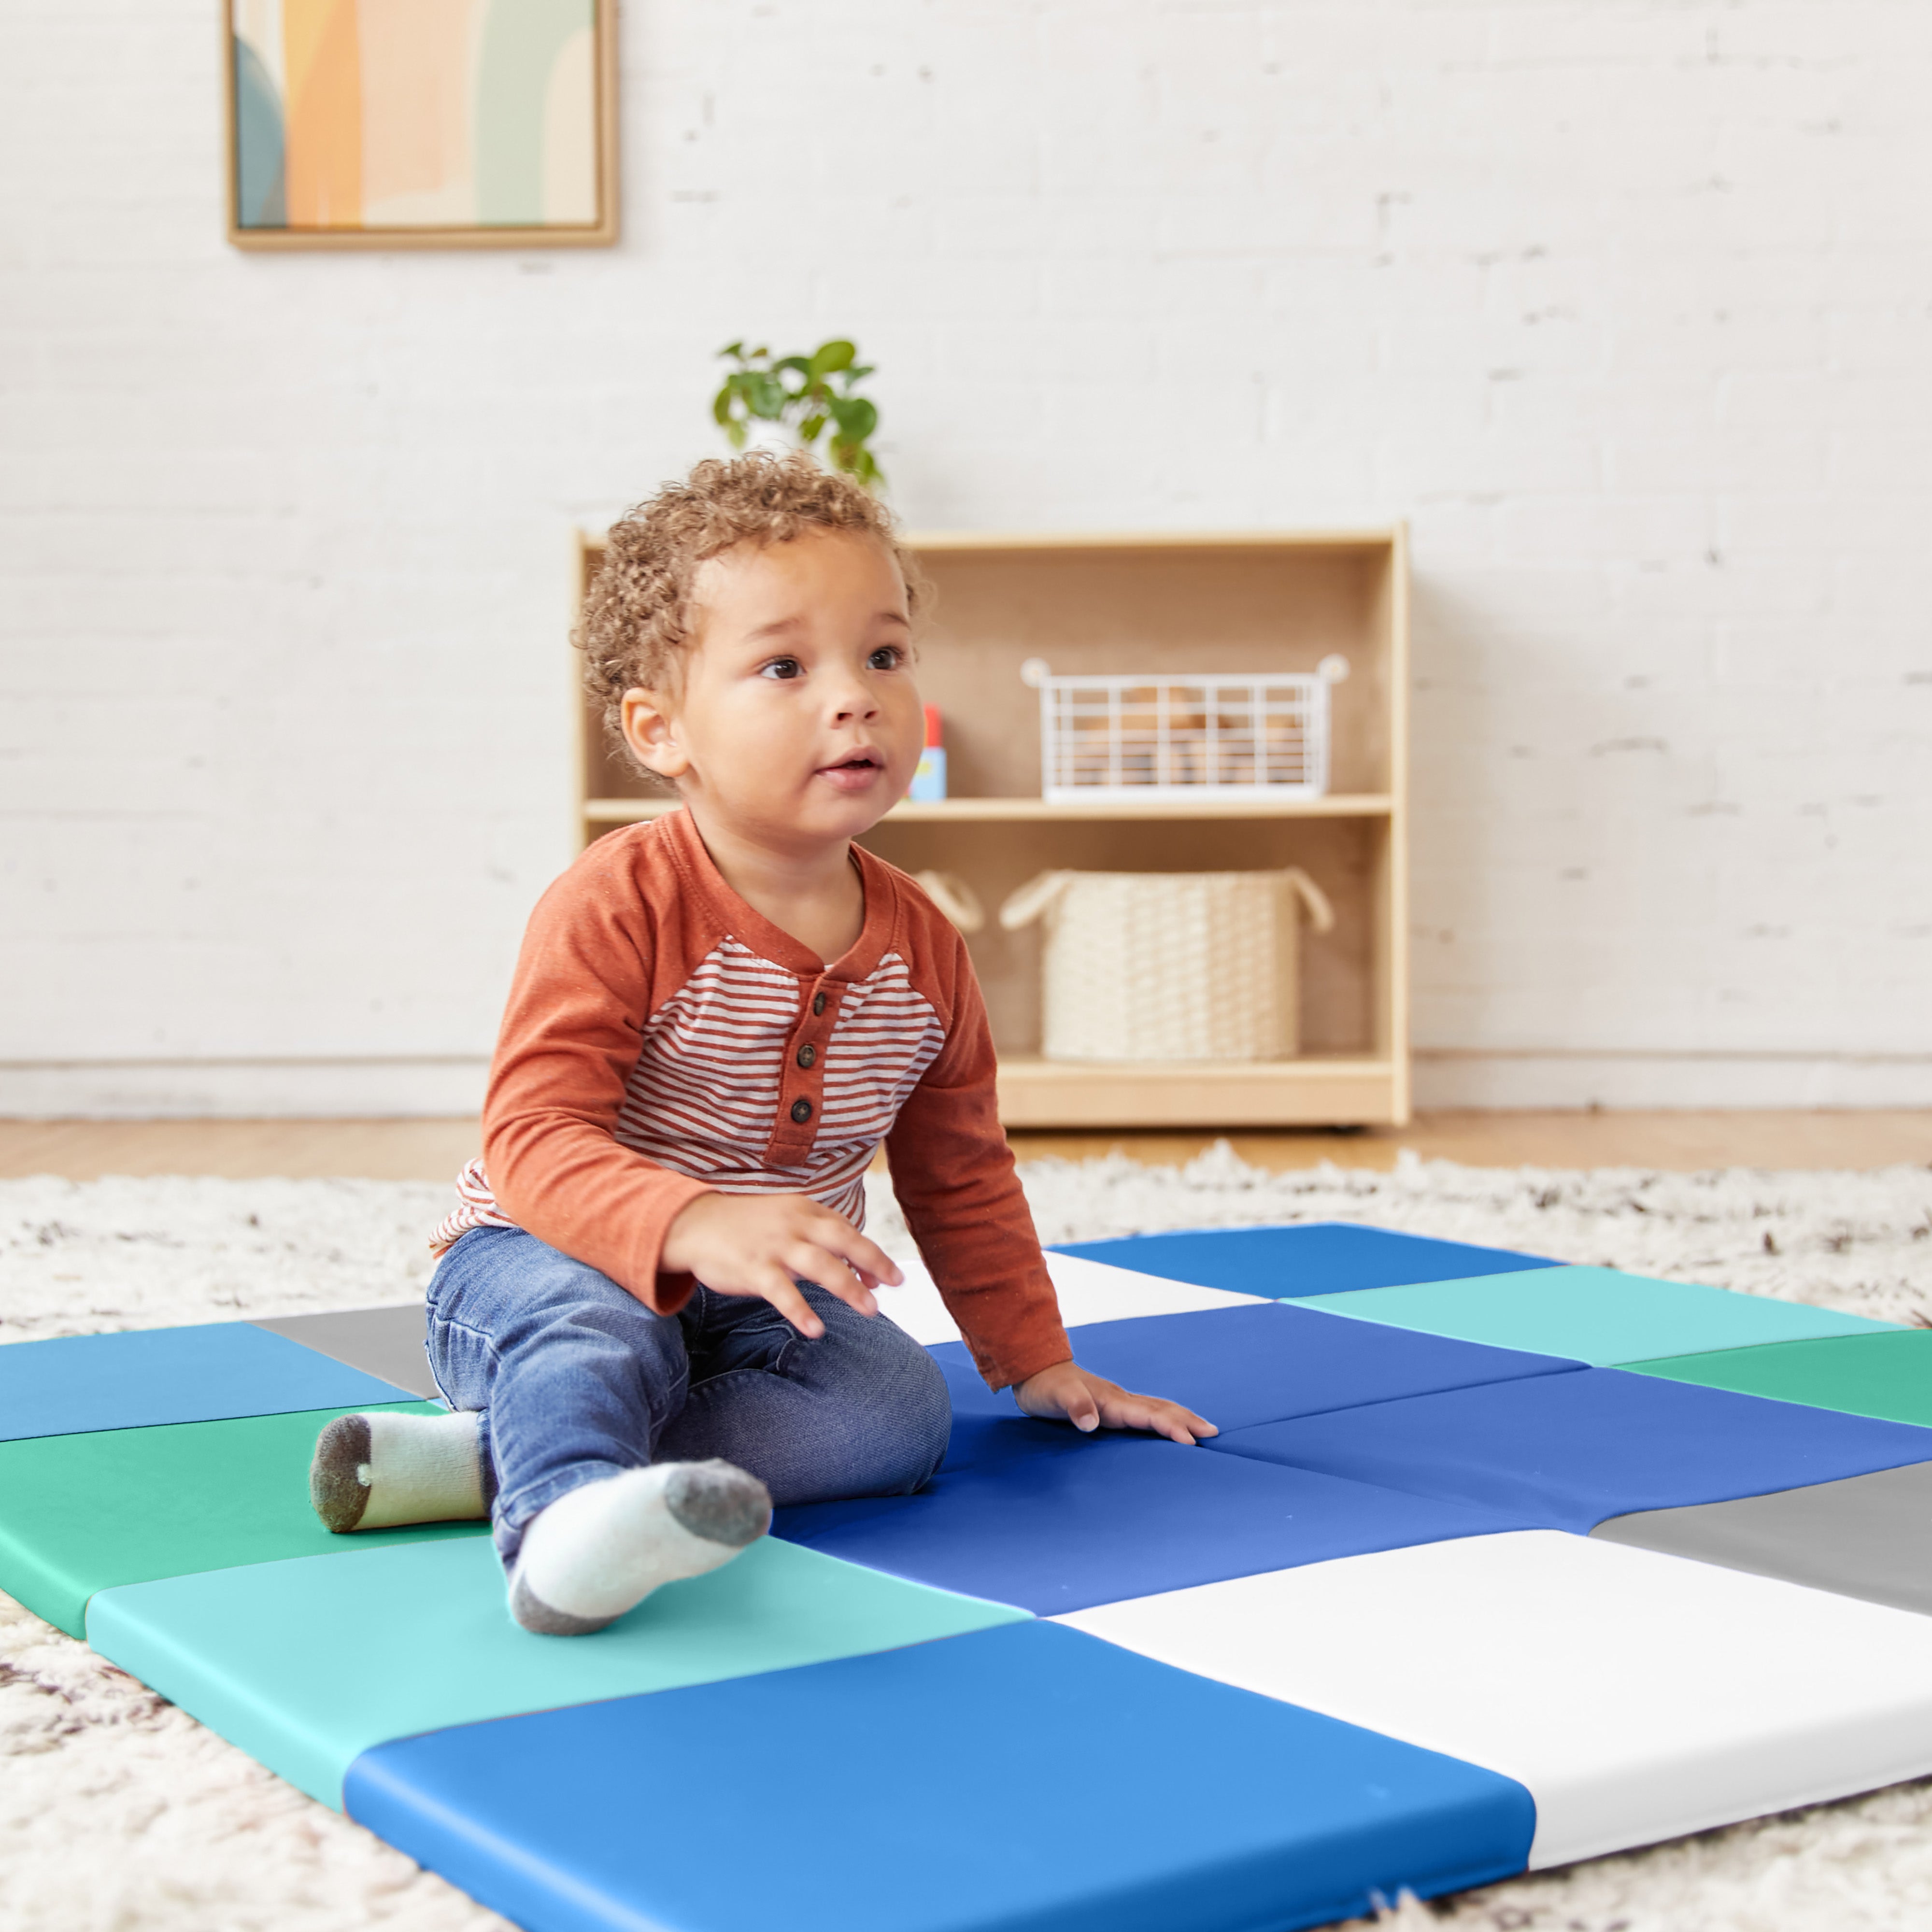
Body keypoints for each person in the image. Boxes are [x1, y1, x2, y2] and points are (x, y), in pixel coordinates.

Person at [308, 452, 1215, 1634]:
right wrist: (689, 1222)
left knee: (897, 1414)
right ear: (660, 727)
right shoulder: (616, 899)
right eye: (784, 666)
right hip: (541, 1259)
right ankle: (558, 1529)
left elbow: (959, 1167)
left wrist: (1036, 1358)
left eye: (883, 655)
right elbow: (531, 1139)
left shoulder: (922, 944)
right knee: (601, 1328)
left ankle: (487, 1460)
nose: (854, 697)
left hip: (758, 1305)